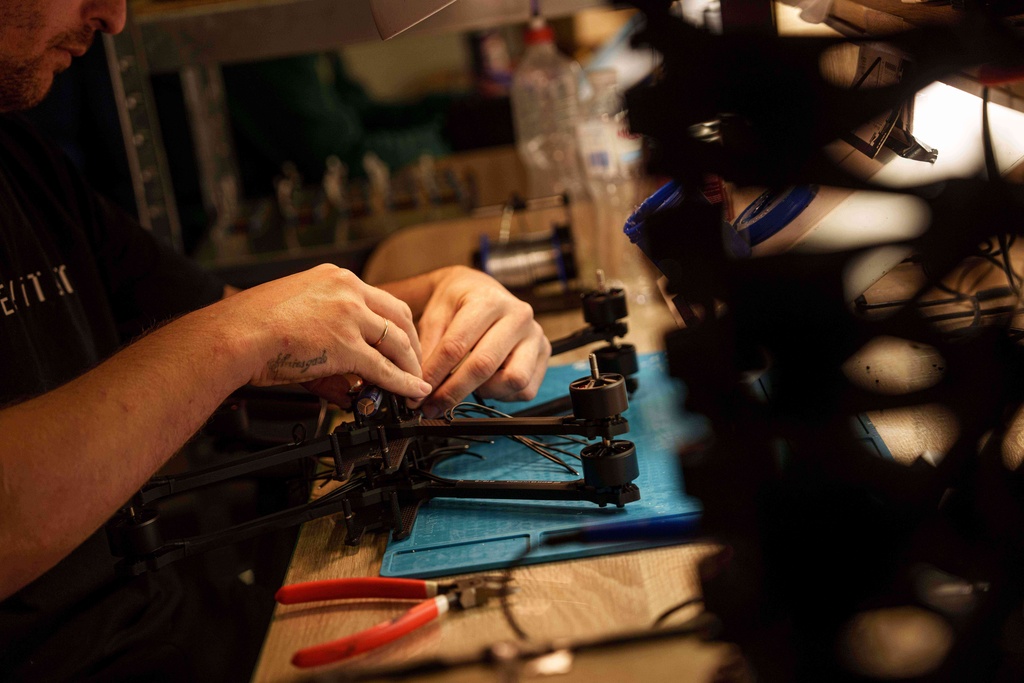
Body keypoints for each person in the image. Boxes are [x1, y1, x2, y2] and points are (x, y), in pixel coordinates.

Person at [0, 0, 551, 679]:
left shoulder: (21, 159)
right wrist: (241, 335)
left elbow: (240, 325)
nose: (113, 16)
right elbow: (234, 334)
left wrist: (449, 294)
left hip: (183, 627)